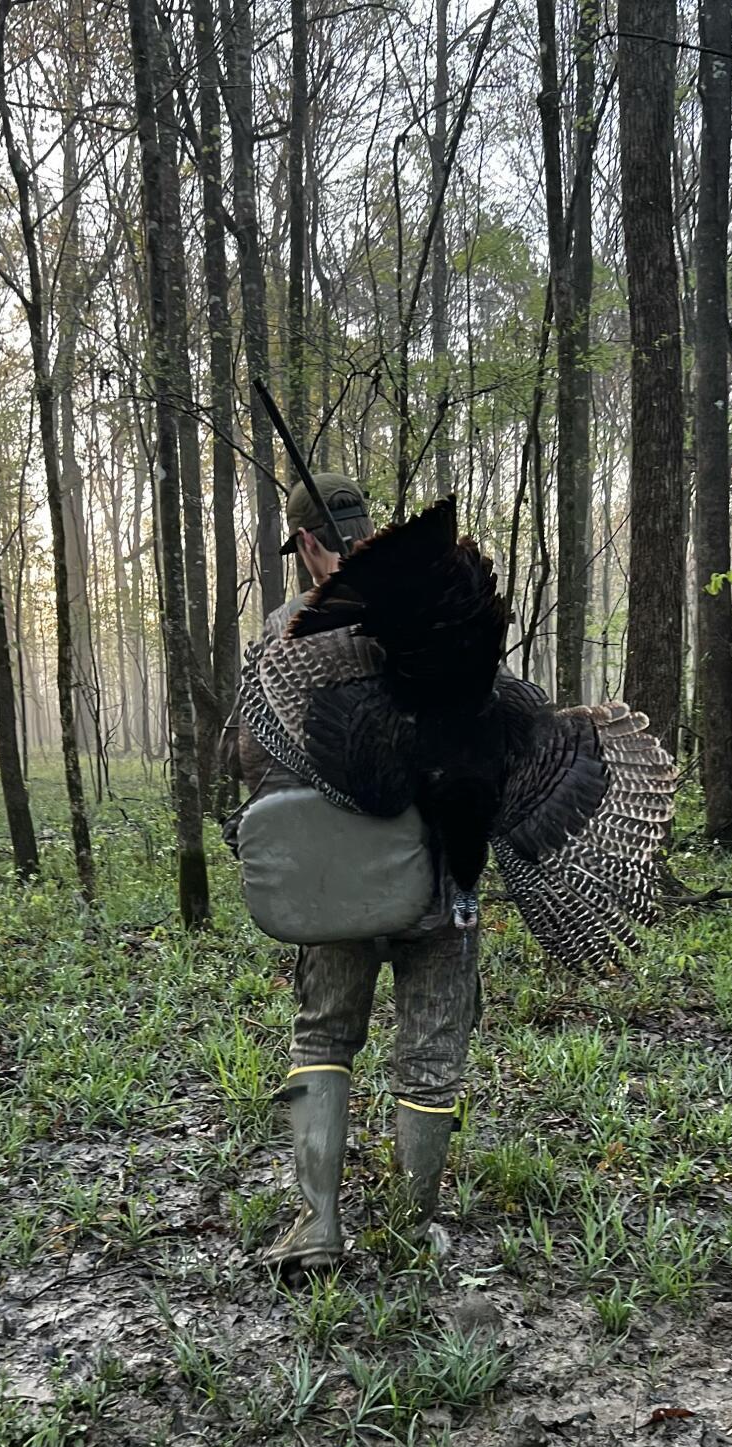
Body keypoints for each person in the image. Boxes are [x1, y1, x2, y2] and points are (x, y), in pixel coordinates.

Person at [227, 475, 480, 1277]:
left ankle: (318, 1225)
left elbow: (249, 759)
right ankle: (417, 1227)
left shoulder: (280, 630)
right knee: (431, 1054)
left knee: (323, 1036)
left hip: (331, 886)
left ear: (304, 544)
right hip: (435, 878)